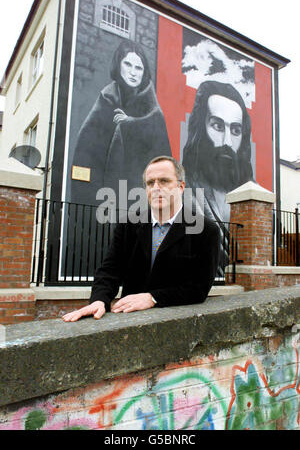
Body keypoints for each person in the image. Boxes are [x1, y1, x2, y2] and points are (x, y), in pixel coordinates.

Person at [63, 156, 220, 322]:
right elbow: (110, 270)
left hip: (178, 325)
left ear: (181, 187)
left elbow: (198, 288)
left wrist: (152, 298)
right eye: (150, 183)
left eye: (164, 181)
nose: (156, 188)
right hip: (129, 322)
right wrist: (99, 300)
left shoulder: (206, 230)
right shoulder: (128, 225)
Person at [71, 39, 171, 206]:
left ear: (144, 72)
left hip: (140, 202)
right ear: (118, 65)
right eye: (128, 65)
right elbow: (86, 152)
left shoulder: (154, 114)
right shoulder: (106, 101)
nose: (133, 72)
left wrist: (130, 125)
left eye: (139, 68)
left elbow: (164, 163)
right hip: (104, 201)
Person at [182, 80, 253, 225]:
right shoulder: (182, 189)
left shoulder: (253, 196)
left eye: (235, 130)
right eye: (218, 126)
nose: (227, 141)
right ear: (200, 130)